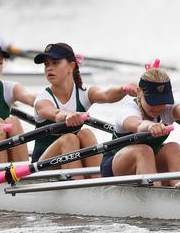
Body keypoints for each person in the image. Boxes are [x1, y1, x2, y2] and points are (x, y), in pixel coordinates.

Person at [100, 61, 180, 186]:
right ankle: (155, 198)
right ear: (139, 92)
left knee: (174, 148)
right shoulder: (129, 110)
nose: (157, 107)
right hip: (116, 167)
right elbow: (138, 124)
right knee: (143, 151)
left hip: (149, 164)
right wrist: (150, 126)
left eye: (161, 101)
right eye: (152, 101)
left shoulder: (167, 107)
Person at [33, 43, 137, 178]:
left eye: (55, 63)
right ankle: (80, 188)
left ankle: (100, 183)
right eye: (47, 64)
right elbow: (55, 113)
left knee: (86, 133)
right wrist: (68, 115)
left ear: (71, 66)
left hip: (70, 160)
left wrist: (124, 89)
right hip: (43, 165)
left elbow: (106, 95)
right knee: (69, 139)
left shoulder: (84, 93)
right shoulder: (43, 99)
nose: (49, 68)